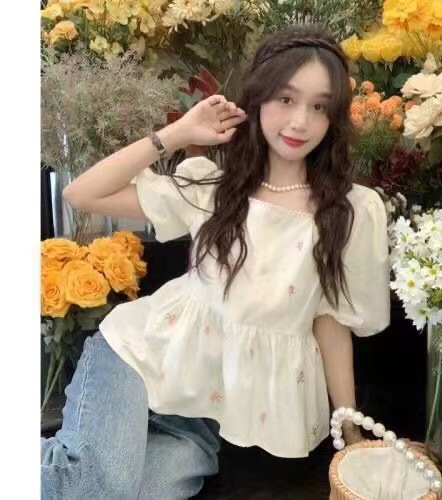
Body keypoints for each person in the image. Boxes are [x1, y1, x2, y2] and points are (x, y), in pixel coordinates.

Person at [41, 24, 390, 500]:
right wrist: (178, 133)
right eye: (286, 99)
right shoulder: (212, 189)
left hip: (194, 419)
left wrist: (349, 431)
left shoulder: (350, 211)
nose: (299, 122)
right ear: (259, 98)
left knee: (133, 490)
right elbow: (82, 194)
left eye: (319, 107)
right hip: (136, 360)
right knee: (95, 485)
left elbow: (330, 321)